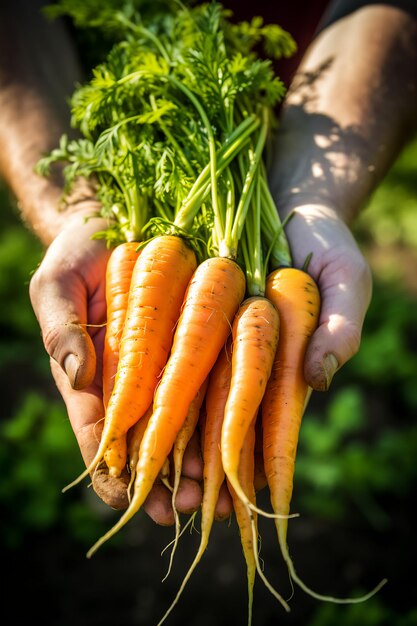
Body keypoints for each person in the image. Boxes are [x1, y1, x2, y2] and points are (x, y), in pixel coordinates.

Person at [1, 0, 417, 525]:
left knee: (199, 386)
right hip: (89, 76)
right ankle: (129, 446)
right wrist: (78, 207)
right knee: (139, 381)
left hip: (312, 93)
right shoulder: (150, 255)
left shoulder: (261, 287)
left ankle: (144, 448)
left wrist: (315, 198)